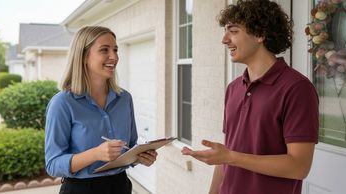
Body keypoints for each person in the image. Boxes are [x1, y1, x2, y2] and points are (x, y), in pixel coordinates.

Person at [181, 0, 319, 194]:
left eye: (234, 31)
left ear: (260, 34)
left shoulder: (297, 89)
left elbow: (299, 166)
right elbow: (226, 155)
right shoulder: (233, 88)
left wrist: (230, 157)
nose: (225, 39)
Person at [45, 26, 157, 194]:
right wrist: (95, 154)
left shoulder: (125, 99)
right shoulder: (62, 103)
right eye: (104, 50)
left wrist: (140, 157)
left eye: (115, 50)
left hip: (120, 186)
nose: (114, 57)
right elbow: (53, 165)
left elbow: (130, 146)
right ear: (83, 56)